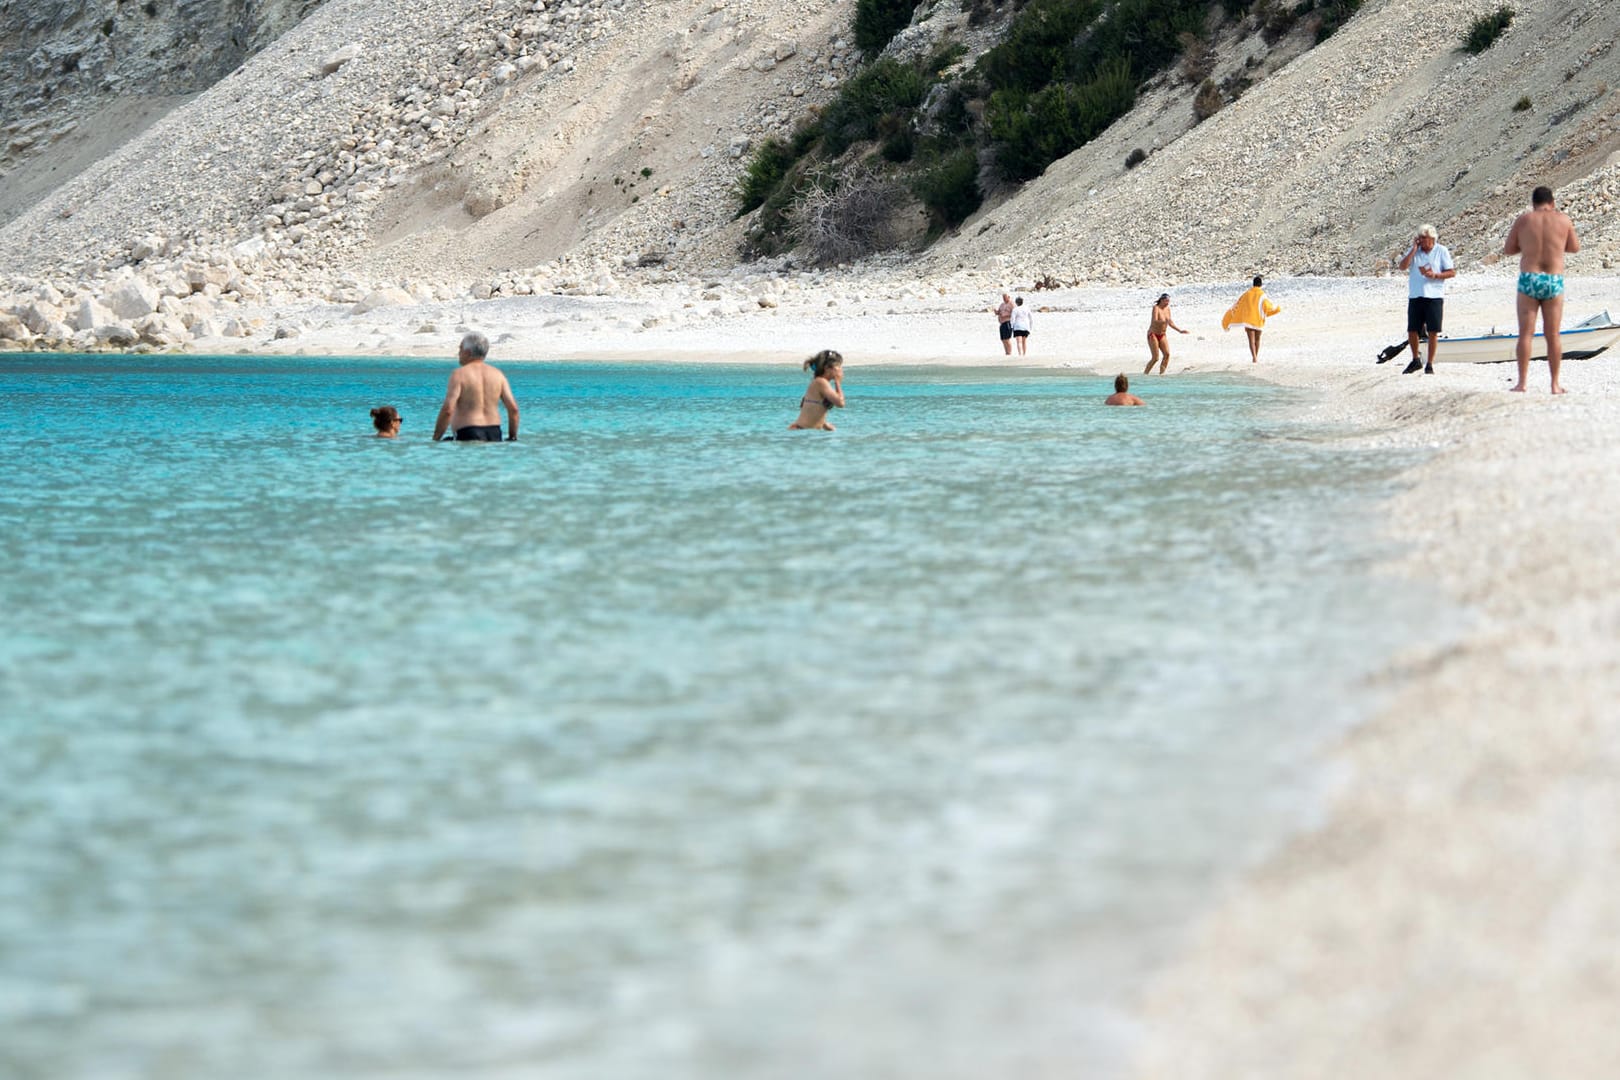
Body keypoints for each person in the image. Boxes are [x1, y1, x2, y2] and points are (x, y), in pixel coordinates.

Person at [1504, 185, 1582, 394]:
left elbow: (1508, 249)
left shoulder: (1524, 220)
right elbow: (1574, 247)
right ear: (1552, 202)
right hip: (1553, 279)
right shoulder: (1563, 220)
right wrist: (1555, 245)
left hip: (1530, 278)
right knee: (1553, 335)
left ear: (1533, 203)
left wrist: (1529, 246)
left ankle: (1522, 383)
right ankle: (1555, 385)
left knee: (1525, 335)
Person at [432, 331, 520, 441]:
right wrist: (512, 437)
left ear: (468, 352)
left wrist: (436, 438)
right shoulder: (498, 374)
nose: (458, 354)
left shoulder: (459, 374)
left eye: (460, 349)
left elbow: (448, 410)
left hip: (468, 433)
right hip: (495, 433)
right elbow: (514, 409)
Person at [1397, 224, 1456, 374]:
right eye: (1419, 238)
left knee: (1433, 331)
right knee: (1412, 330)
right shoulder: (1415, 252)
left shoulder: (1441, 251)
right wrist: (1413, 250)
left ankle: (1430, 363)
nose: (1421, 241)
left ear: (1432, 238)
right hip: (1416, 295)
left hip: (1434, 295)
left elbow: (1451, 272)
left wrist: (1435, 275)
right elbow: (1402, 266)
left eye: (1424, 238)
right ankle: (1415, 359)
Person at [1221, 276, 1281, 363]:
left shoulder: (1247, 294)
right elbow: (1268, 306)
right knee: (1257, 340)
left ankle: (1254, 357)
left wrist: (1229, 317)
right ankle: (1256, 356)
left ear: (1253, 284)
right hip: (1258, 320)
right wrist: (1277, 308)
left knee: (1251, 341)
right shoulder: (1262, 295)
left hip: (1248, 320)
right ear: (1260, 284)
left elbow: (1237, 305)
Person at [789, 349, 845, 430]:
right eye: (838, 366)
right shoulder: (821, 382)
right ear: (827, 368)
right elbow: (841, 403)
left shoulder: (818, 383)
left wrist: (823, 423)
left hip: (804, 430)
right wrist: (838, 381)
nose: (840, 369)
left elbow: (810, 408)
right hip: (802, 431)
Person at [1144, 293, 1189, 374]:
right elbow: (1155, 320)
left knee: (1167, 354)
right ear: (1161, 300)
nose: (1167, 303)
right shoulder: (1156, 308)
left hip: (1162, 334)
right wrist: (1164, 321)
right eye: (1166, 301)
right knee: (1155, 358)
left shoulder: (1167, 309)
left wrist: (1180, 331)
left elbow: (1170, 323)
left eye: (1168, 301)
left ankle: (1162, 374)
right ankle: (1145, 374)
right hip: (1153, 334)